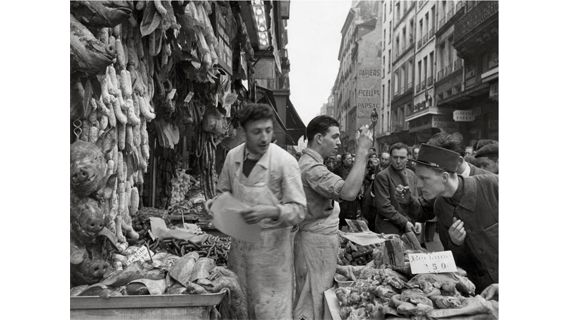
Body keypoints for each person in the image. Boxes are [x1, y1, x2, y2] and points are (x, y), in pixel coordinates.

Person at [215, 103, 307, 319]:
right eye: (257, 132)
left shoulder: (285, 162)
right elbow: (223, 191)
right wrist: (224, 210)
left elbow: (299, 210)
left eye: (268, 130)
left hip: (273, 259)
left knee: (270, 312)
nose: (264, 138)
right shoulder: (232, 157)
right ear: (243, 132)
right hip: (240, 253)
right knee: (240, 309)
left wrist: (270, 211)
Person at [294, 115, 372, 320]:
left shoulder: (312, 163)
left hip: (317, 244)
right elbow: (348, 192)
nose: (338, 142)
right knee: (313, 303)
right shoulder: (312, 168)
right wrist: (362, 151)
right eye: (334, 137)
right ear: (319, 138)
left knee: (315, 298)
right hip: (314, 246)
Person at [411, 144, 498, 293]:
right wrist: (456, 243)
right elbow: (457, 262)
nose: (418, 185)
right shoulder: (441, 206)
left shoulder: (492, 185)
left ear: (444, 177)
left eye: (424, 178)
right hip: (481, 292)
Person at [373, 142, 423, 235]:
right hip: (389, 227)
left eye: (402, 158)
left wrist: (418, 220)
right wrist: (404, 222)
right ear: (391, 157)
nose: (398, 161)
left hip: (410, 227)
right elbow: (384, 207)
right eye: (395, 157)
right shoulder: (383, 176)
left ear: (408, 158)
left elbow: (416, 200)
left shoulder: (411, 174)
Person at [334, 152, 360, 228]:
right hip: (343, 199)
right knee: (341, 219)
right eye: (348, 158)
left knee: (352, 220)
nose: (351, 160)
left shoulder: (354, 169)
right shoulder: (337, 170)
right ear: (343, 160)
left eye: (351, 158)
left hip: (353, 199)